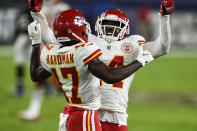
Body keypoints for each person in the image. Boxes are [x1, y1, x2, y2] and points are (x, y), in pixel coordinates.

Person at [28, 0, 153, 130]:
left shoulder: (51, 52)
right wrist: (140, 61)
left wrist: (36, 41)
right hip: (84, 115)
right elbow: (110, 76)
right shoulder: (84, 51)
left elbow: (35, 75)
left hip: (68, 113)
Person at [87, 0, 175, 130]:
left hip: (116, 113)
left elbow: (163, 47)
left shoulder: (132, 45)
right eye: (107, 23)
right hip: (89, 112)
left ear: (125, 28)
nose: (111, 27)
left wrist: (164, 17)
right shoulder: (89, 42)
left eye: (115, 24)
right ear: (98, 25)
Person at [19, 0, 71, 121]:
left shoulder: (61, 8)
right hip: (49, 50)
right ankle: (34, 110)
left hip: (60, 49)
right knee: (40, 81)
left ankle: (79, 113)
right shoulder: (49, 7)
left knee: (68, 85)